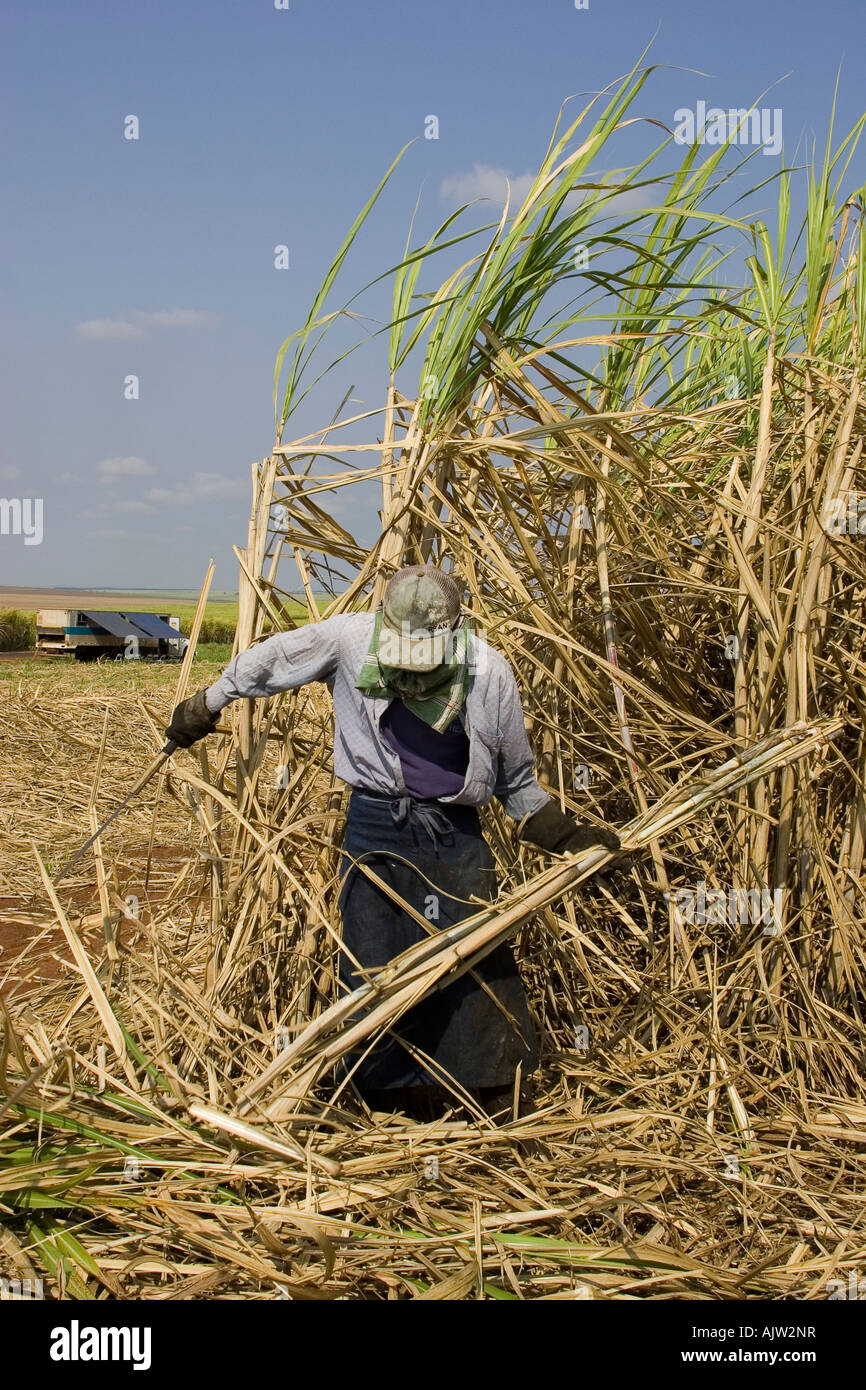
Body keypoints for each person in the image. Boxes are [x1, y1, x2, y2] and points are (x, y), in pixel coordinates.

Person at [166, 566, 620, 1120]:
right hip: (376, 827)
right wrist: (206, 703)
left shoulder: (486, 672)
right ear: (386, 626)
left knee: (474, 959)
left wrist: (569, 840)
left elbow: (516, 782)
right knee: (372, 966)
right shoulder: (352, 642)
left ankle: (489, 1098)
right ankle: (378, 1099)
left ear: (455, 632)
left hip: (454, 836)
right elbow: (274, 658)